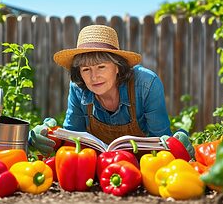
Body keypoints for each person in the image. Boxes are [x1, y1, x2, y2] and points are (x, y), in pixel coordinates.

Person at [29, 24, 173, 156]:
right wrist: (48, 134)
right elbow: (72, 140)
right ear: (79, 73)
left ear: (118, 66)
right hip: (97, 169)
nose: (94, 77)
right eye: (86, 69)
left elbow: (162, 143)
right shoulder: (78, 88)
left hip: (143, 167)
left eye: (101, 66)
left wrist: (175, 144)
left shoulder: (146, 84)